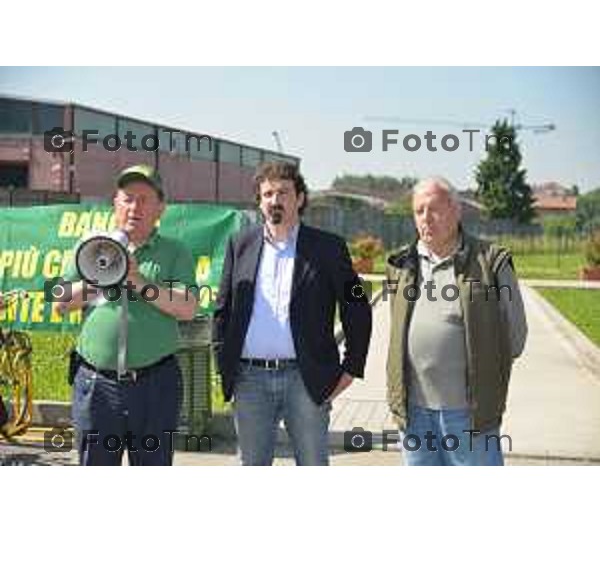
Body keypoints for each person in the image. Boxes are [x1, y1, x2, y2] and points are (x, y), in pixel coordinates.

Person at [213, 161, 372, 466]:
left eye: (283, 192)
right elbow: (223, 309)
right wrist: (225, 367)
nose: (275, 200)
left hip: (306, 380)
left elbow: (357, 306)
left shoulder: (329, 248)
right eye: (268, 193)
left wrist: (351, 368)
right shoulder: (240, 244)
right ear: (259, 202)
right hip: (250, 381)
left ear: (299, 198)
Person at [54, 164, 198, 466]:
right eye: (127, 198)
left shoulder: (175, 252)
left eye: (145, 199)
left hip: (155, 386)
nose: (135, 207)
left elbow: (186, 308)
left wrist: (138, 281)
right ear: (114, 205)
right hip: (96, 385)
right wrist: (104, 273)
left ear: (161, 208)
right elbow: (62, 301)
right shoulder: (91, 246)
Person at [385, 177, 527, 466]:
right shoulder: (401, 264)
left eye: (434, 208)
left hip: (468, 416)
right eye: (419, 211)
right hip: (414, 414)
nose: (426, 218)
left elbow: (515, 338)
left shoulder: (491, 262)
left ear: (456, 210)